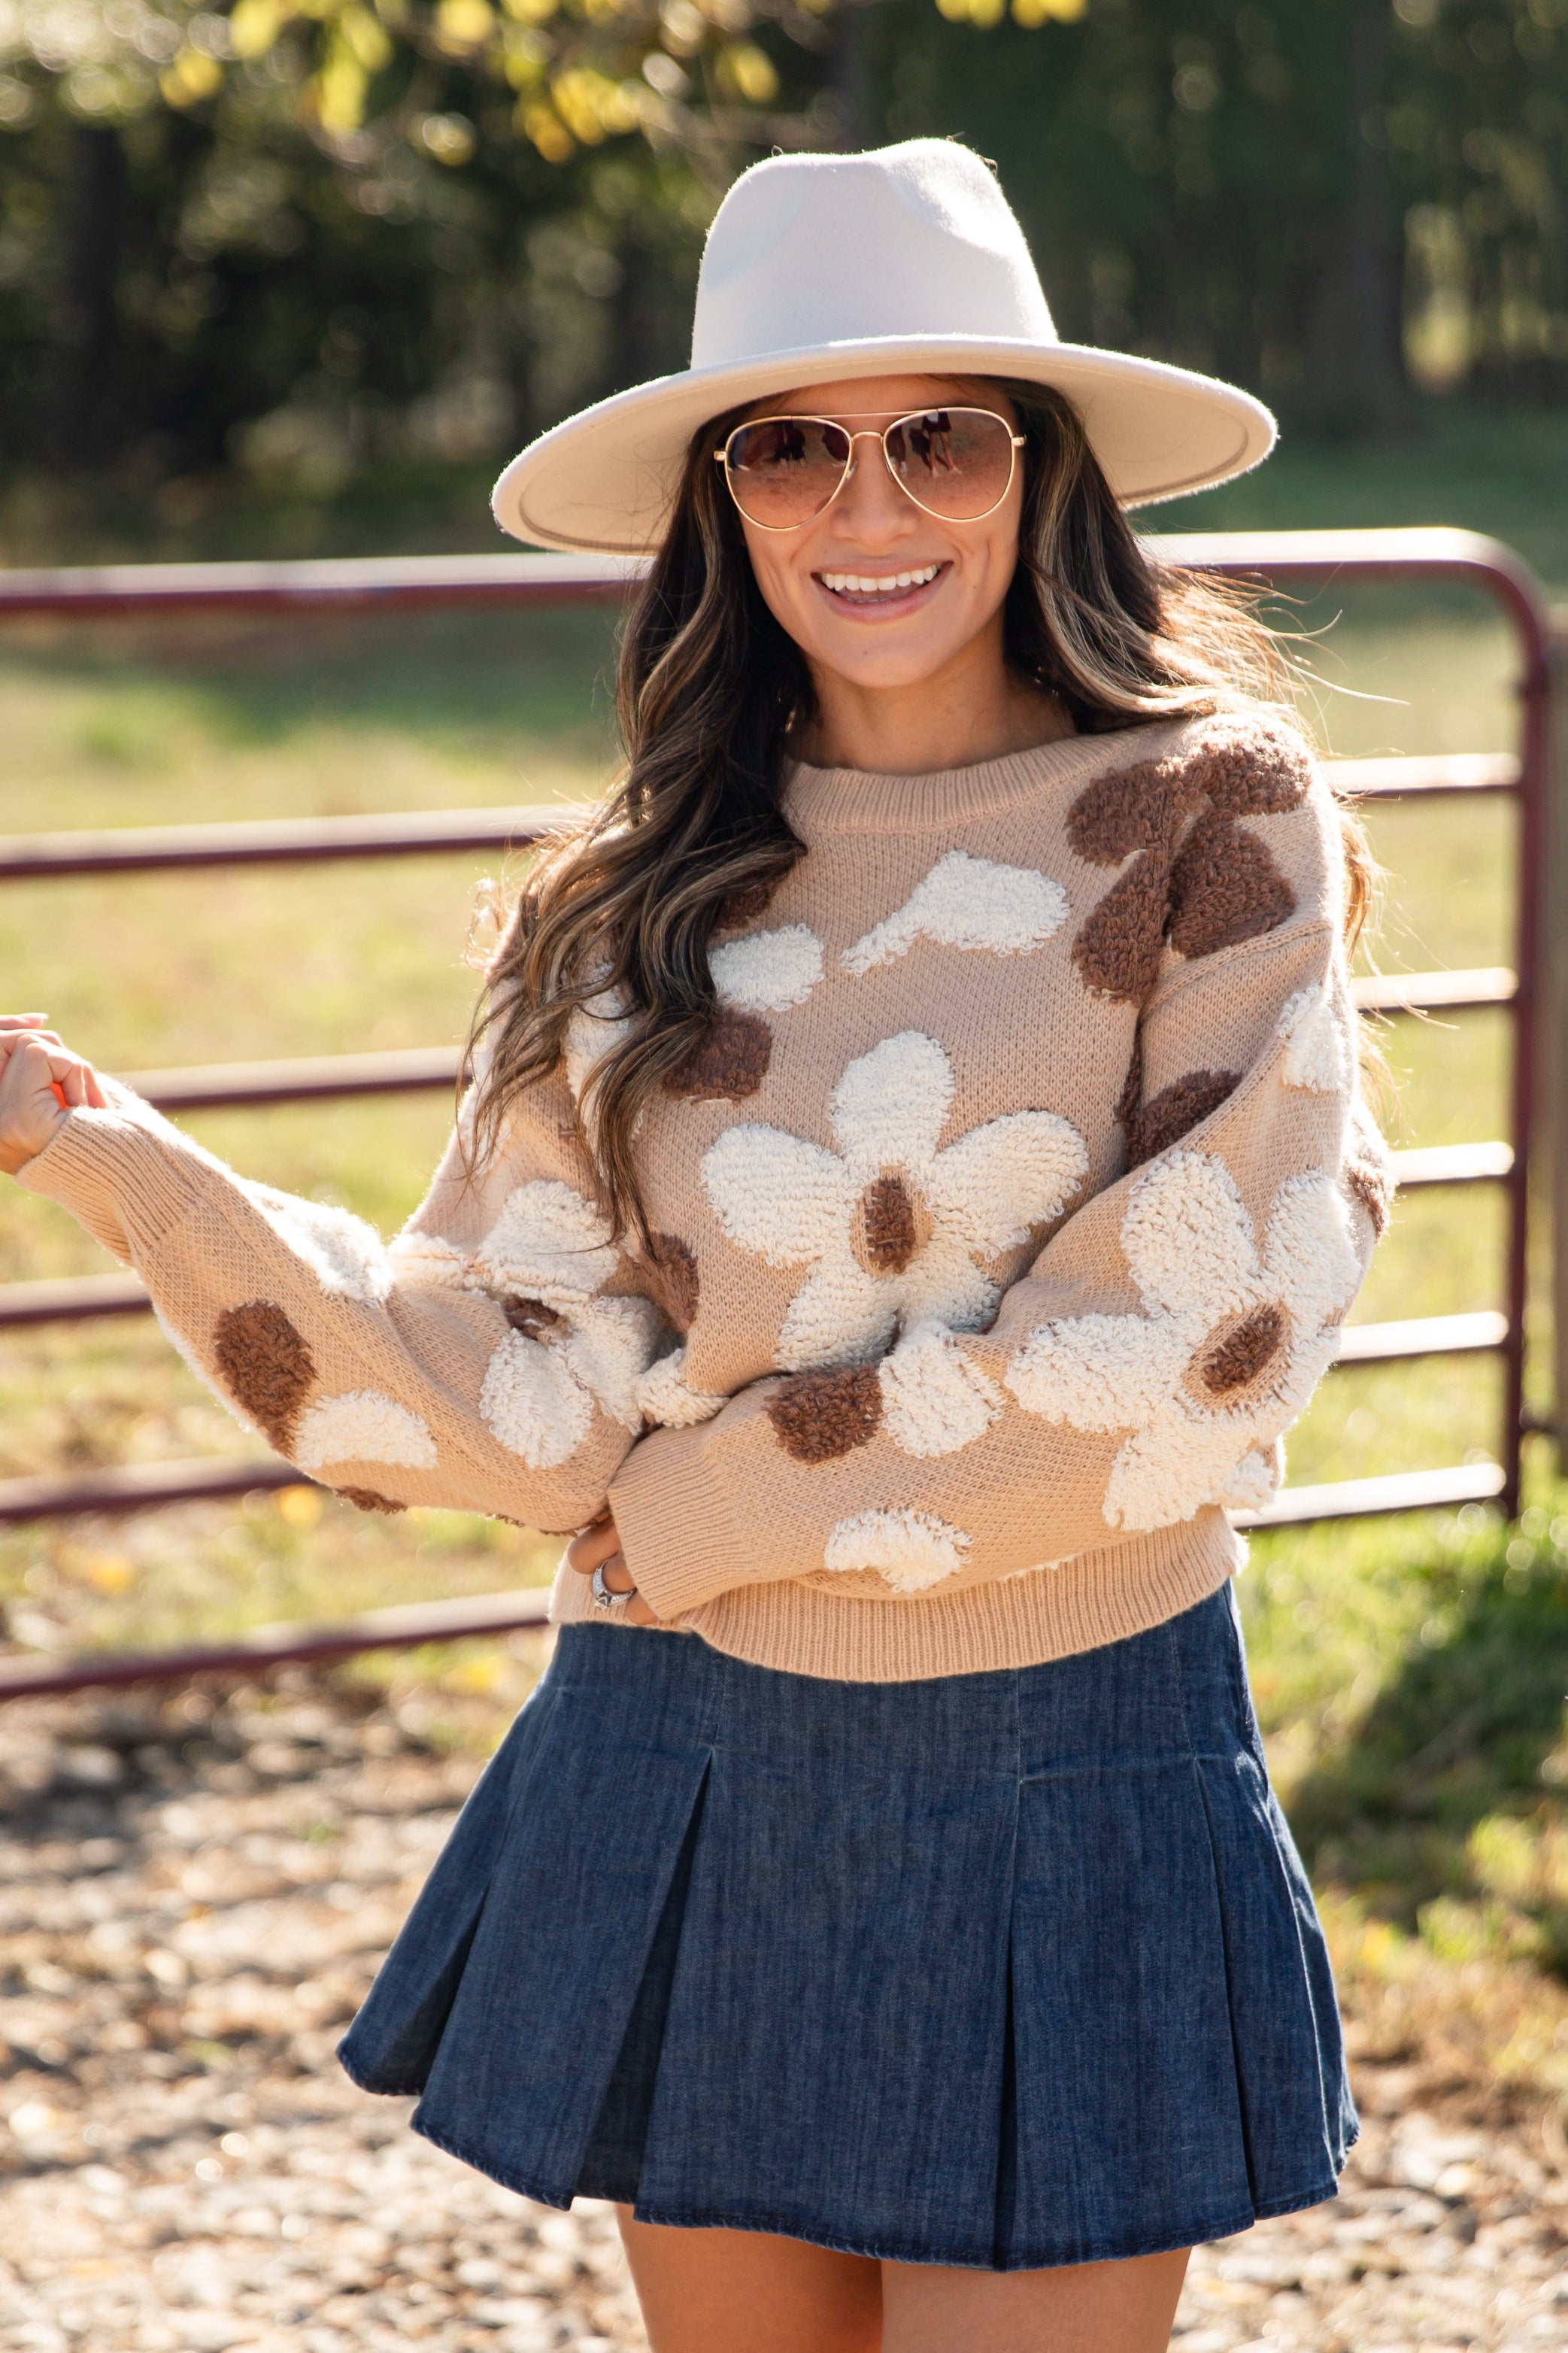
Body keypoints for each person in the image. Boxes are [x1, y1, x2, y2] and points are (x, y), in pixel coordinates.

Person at [0, 141, 1387, 2353]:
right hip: (694, 1759)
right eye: (791, 449)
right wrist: (99, 1150)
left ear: (1041, 475)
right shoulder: (622, 907)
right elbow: (517, 1394)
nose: (872, 507)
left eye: (943, 436)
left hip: (1083, 1757)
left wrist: (721, 1492)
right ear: (718, 499)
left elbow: (1198, 1333)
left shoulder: (1214, 812)